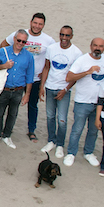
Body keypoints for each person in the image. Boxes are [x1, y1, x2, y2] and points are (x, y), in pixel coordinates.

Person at [0, 13, 56, 142]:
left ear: (43, 25)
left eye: (40, 24)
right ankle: (8, 128)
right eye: (35, 23)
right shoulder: (20, 34)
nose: (37, 26)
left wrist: (46, 70)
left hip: (35, 78)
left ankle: (31, 130)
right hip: (17, 76)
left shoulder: (48, 40)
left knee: (32, 105)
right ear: (31, 22)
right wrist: (10, 60)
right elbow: (3, 44)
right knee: (11, 104)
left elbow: (53, 57)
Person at [64, 38, 104, 167]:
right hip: (83, 101)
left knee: (94, 129)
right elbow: (69, 77)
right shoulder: (82, 60)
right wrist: (87, 72)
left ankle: (88, 152)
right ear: (90, 46)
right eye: (95, 45)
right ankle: (71, 153)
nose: (98, 48)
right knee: (77, 129)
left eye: (101, 46)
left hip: (99, 103)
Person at [39, 25, 82, 158]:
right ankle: (51, 140)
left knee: (62, 119)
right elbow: (47, 67)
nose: (64, 38)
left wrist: (65, 89)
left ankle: (60, 145)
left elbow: (75, 76)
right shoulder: (52, 48)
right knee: (50, 116)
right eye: (62, 35)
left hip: (63, 90)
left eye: (67, 35)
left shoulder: (76, 53)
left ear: (72, 36)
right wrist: (42, 86)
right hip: (50, 86)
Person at [0, 29, 35, 149]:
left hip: (18, 90)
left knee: (13, 114)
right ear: (14, 39)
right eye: (18, 40)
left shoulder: (28, 56)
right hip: (4, 89)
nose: (20, 43)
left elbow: (30, 76)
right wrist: (4, 66)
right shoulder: (3, 52)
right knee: (0, 112)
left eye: (23, 41)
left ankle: (7, 135)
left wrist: (27, 94)